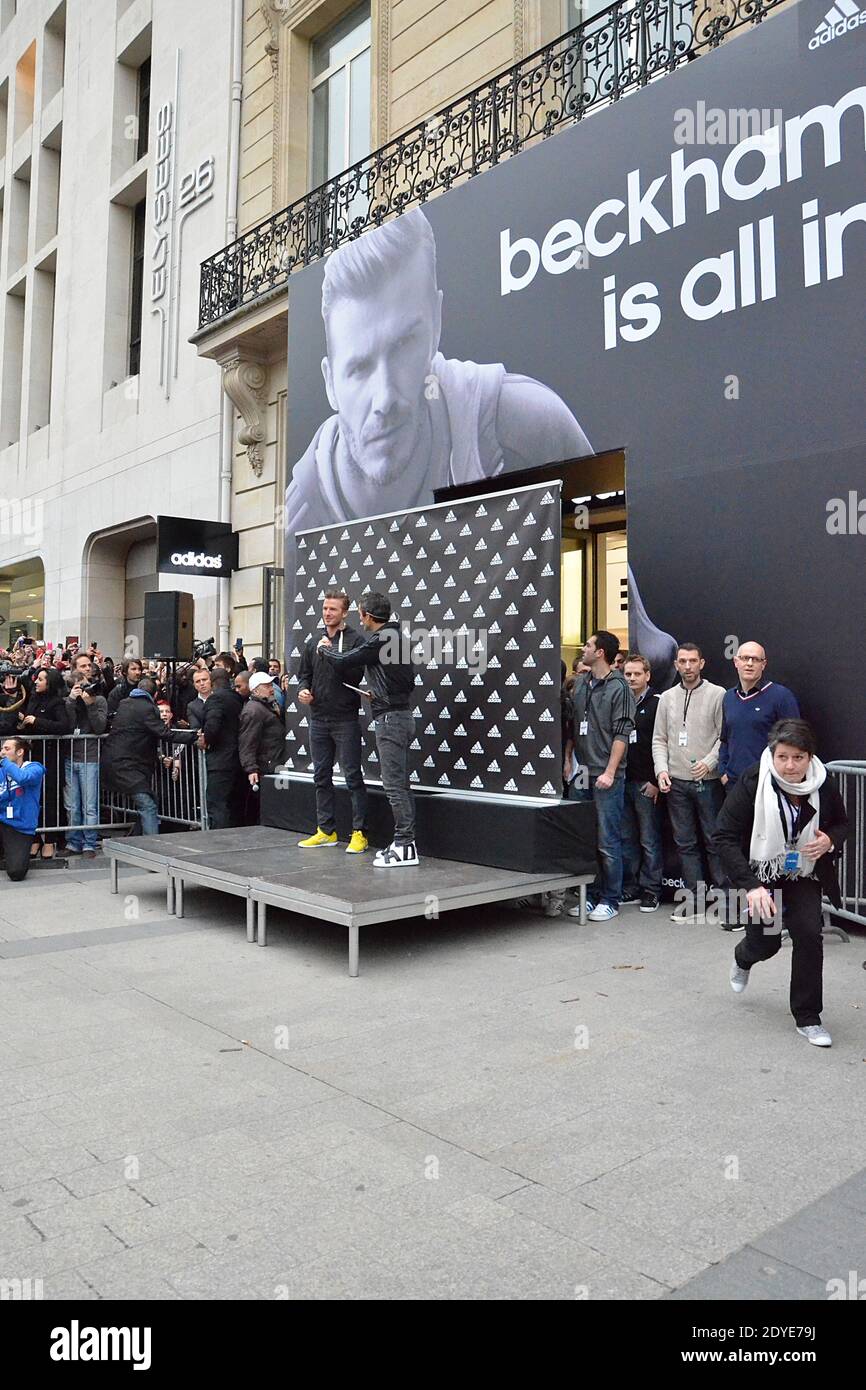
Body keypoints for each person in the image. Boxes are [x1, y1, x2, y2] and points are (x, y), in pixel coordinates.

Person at [284, 208, 591, 546]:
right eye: (359, 368)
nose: (384, 397)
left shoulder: (528, 425)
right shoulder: (301, 516)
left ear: (437, 322)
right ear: (330, 383)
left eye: (404, 345)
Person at [714, 719, 848, 1047]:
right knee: (767, 942)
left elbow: (843, 822)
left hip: (803, 871)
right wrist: (752, 886)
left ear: (810, 757)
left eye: (798, 758)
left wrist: (829, 839)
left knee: (808, 934)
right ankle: (743, 958)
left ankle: (808, 1017)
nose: (790, 766)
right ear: (773, 755)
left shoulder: (823, 782)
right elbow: (724, 836)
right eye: (783, 757)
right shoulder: (752, 781)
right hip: (763, 873)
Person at [317, 591, 418, 868]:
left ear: (368, 616)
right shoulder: (398, 638)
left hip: (391, 720)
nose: (359, 620)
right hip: (400, 716)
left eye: (360, 614)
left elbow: (343, 660)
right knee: (400, 785)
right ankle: (403, 843)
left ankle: (405, 845)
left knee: (394, 786)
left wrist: (325, 647)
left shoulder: (381, 638)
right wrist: (379, 694)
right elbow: (407, 682)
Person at [652, 643, 725, 923]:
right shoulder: (667, 698)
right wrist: (661, 771)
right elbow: (659, 739)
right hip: (676, 784)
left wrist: (710, 761)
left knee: (714, 841)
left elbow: (724, 736)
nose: (688, 666)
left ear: (702, 663)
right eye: (682, 661)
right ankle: (694, 901)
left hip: (707, 782)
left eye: (693, 661)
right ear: (675, 665)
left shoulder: (717, 694)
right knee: (685, 844)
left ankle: (721, 901)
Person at [565, 631, 635, 922]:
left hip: (606, 776)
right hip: (581, 772)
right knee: (584, 838)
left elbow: (622, 733)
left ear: (601, 652)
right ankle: (590, 896)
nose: (584, 648)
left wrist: (609, 771)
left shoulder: (620, 688)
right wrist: (568, 759)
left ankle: (610, 898)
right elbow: (573, 725)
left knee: (608, 840)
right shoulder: (581, 683)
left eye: (589, 645)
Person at [296, 592, 369, 854]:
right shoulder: (313, 641)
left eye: (333, 609)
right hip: (318, 718)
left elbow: (355, 674)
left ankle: (359, 833)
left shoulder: (355, 640)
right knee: (321, 776)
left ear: (345, 613)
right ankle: (326, 830)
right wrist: (303, 691)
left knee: (352, 776)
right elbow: (304, 674)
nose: (328, 613)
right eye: (325, 608)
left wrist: (330, 653)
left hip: (345, 719)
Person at [100, 676, 175, 837]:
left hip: (120, 762)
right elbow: (163, 732)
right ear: (154, 695)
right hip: (127, 765)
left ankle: (140, 837)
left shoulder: (124, 704)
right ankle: (151, 845)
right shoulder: (147, 708)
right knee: (147, 804)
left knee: (148, 801)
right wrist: (193, 738)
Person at [719, 642, 800, 789]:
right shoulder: (728, 697)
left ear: (763, 664)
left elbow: (794, 742)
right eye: (745, 658)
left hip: (767, 783)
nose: (749, 663)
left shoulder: (781, 696)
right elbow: (725, 739)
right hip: (733, 784)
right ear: (736, 662)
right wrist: (723, 772)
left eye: (755, 659)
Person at [620, 653, 663, 912]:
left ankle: (651, 890)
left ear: (647, 675)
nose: (632, 678)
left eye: (637, 673)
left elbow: (663, 743)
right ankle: (631, 887)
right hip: (622, 781)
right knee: (627, 838)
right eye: (628, 674)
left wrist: (656, 780)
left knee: (649, 840)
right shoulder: (620, 701)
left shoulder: (658, 703)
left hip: (647, 784)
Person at [20, 667, 67, 860]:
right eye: (36, 678)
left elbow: (64, 726)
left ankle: (50, 839)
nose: (36, 682)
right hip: (34, 756)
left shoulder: (57, 703)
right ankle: (36, 837)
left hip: (51, 758)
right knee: (34, 799)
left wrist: (37, 721)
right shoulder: (32, 699)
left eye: (41, 679)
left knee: (49, 799)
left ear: (50, 683)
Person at [64, 660, 108, 857]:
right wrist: (72, 701)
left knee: (89, 805)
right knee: (72, 805)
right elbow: (68, 725)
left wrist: (89, 704)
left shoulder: (99, 700)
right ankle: (73, 842)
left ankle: (89, 843)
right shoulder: (69, 701)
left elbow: (99, 728)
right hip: (71, 757)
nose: (83, 689)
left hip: (90, 757)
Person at [190, 667, 242, 830]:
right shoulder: (236, 697)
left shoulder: (216, 700)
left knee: (216, 802)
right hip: (236, 757)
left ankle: (219, 839)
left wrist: (206, 739)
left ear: (212, 683)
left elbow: (213, 725)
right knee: (231, 803)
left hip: (220, 759)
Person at [238, 673, 287, 823]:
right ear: (255, 691)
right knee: (264, 806)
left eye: (271, 685)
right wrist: (251, 768)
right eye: (266, 686)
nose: (271, 689)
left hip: (277, 764)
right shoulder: (254, 710)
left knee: (279, 802)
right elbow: (247, 741)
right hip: (266, 767)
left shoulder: (268, 705)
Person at [0, 738, 46, 880]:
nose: (2, 752)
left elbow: (23, 778)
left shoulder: (35, 768)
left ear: (20, 752)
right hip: (2, 820)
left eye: (7, 749)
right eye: (2, 749)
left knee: (16, 873)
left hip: (20, 826)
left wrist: (5, 762)